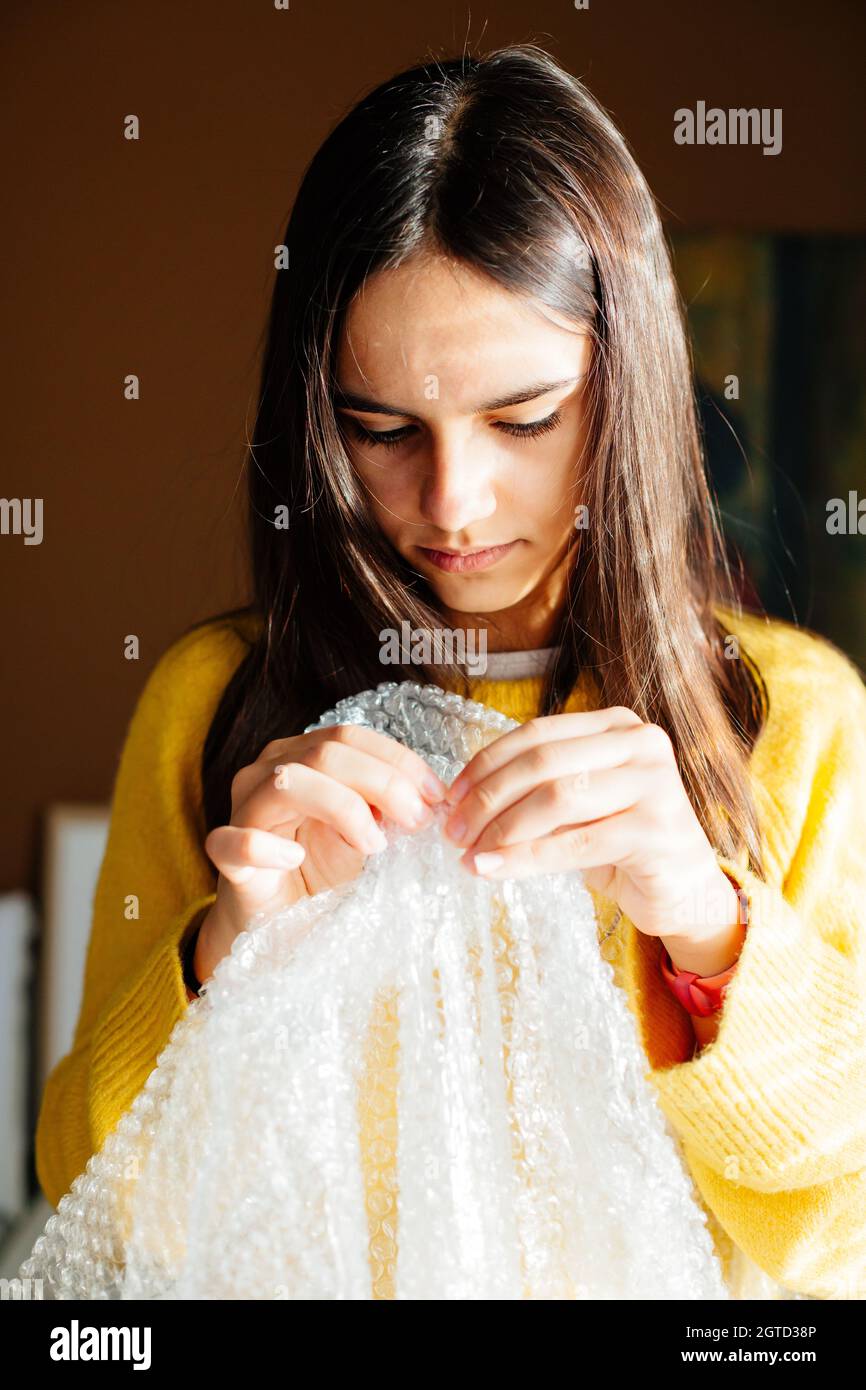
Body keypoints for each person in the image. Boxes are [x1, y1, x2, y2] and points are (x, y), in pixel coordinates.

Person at [35, 44, 866, 1300]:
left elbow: (840, 1232)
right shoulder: (217, 707)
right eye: (379, 429)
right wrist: (219, 957)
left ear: (626, 389)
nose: (452, 502)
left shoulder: (790, 722)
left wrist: (708, 928)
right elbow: (88, 1199)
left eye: (523, 420)